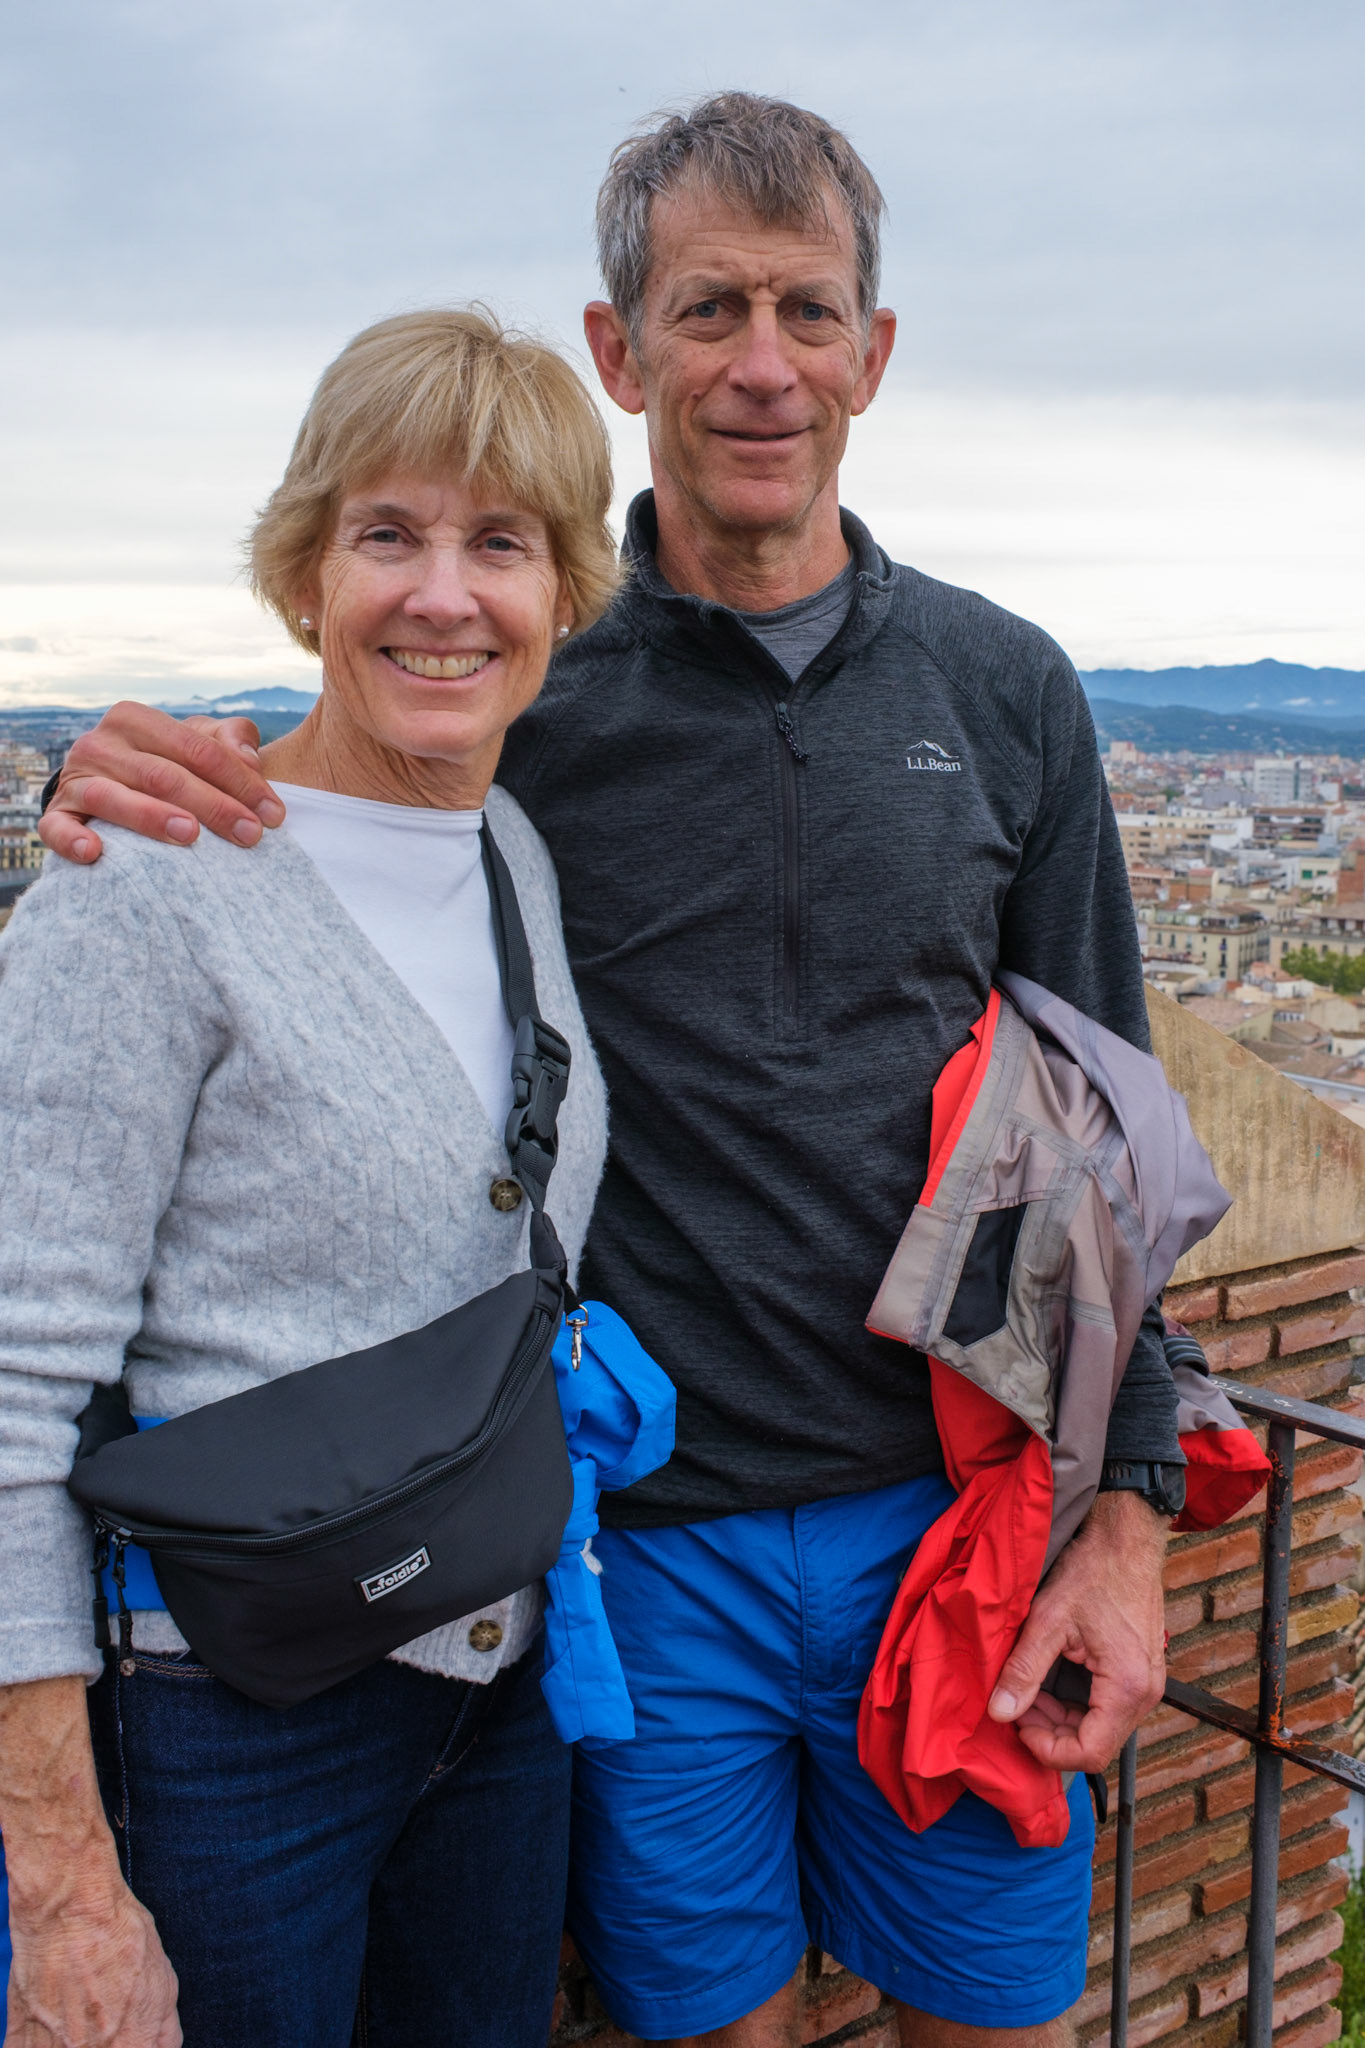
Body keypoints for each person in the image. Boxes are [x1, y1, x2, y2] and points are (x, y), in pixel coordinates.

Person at [41, 95, 1177, 2048]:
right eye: (706, 308)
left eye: (806, 313)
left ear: (870, 355)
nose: (759, 364)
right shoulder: (530, 674)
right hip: (635, 1552)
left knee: (998, 2022)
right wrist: (123, 769)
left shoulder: (1003, 689)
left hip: (956, 1519)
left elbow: (1104, 1116)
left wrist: (1128, 1528)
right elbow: (333, 775)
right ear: (616, 348)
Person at [0, 307, 616, 2048]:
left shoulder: (506, 851)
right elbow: (10, 1390)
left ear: (562, 590)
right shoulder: (147, 885)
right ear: (303, 576)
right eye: (387, 534)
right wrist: (61, 1881)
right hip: (226, 1727)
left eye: (500, 542)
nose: (445, 593)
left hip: (496, 1692)